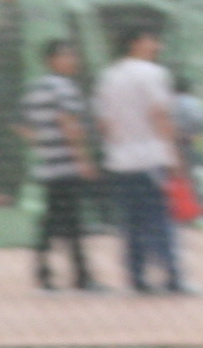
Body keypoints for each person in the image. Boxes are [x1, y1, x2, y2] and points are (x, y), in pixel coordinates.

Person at [93, 25, 187, 295]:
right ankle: (172, 276)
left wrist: (120, 143)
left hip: (120, 159)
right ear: (136, 43)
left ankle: (136, 278)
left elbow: (104, 123)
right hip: (151, 157)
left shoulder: (108, 76)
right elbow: (160, 115)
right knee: (159, 219)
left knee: (130, 222)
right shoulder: (153, 73)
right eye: (152, 40)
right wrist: (173, 155)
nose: (156, 46)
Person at [17, 37, 102, 290]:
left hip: (48, 165)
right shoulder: (64, 88)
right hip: (66, 166)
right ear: (52, 60)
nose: (73, 61)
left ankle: (45, 271)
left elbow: (20, 124)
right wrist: (82, 160)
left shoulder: (35, 88)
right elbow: (69, 124)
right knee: (72, 221)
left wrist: (42, 143)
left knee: (53, 221)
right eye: (67, 56)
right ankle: (81, 276)